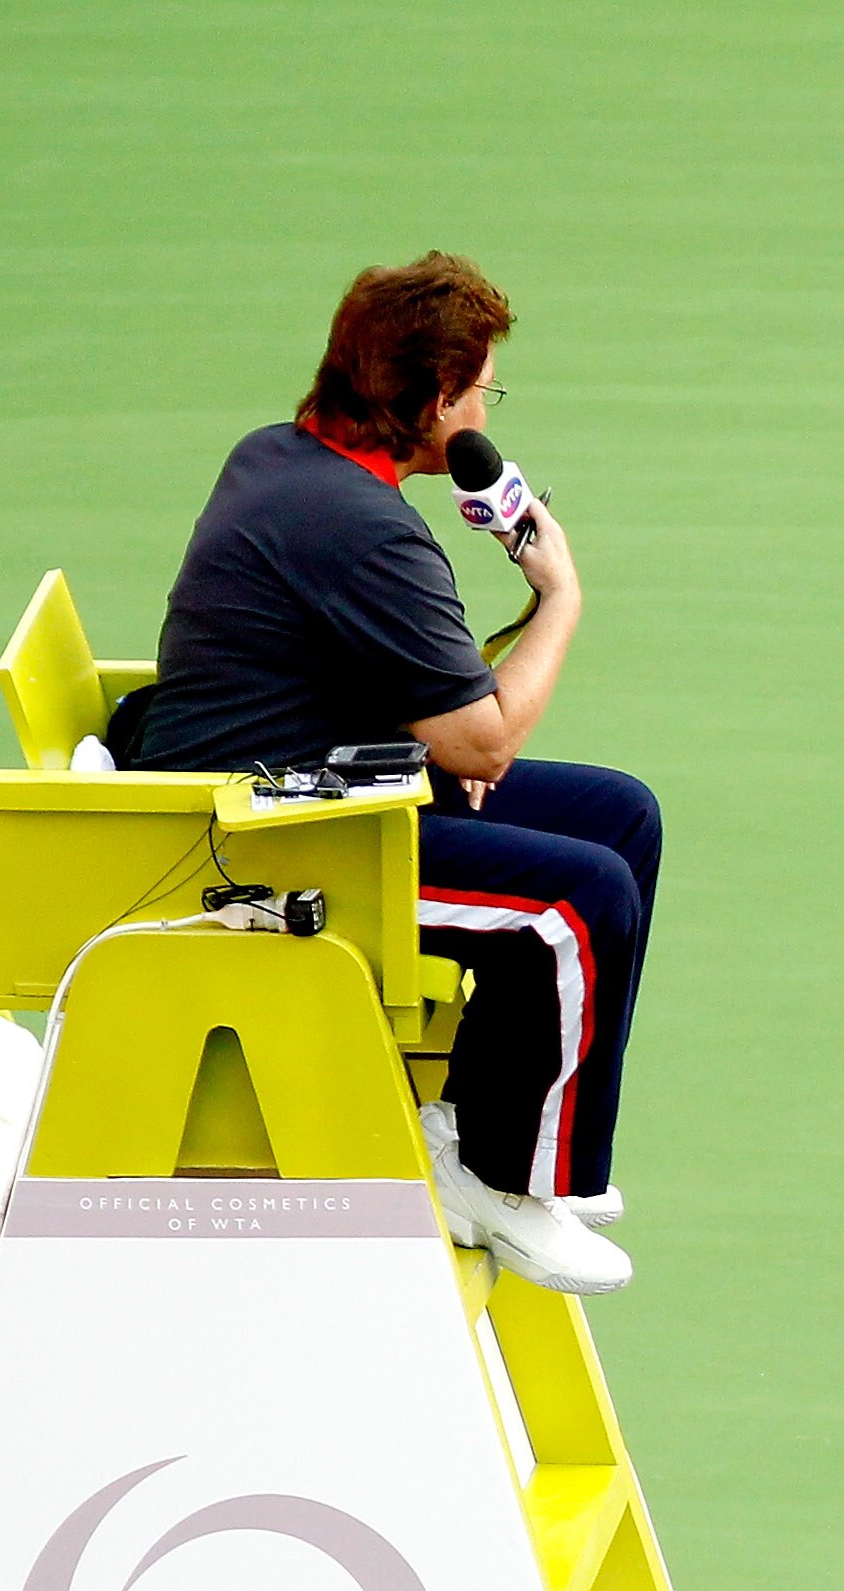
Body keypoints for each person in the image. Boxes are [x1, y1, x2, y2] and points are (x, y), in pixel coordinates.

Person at [119, 252, 649, 1294]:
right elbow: (488, 740)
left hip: (314, 777)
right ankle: (503, 1182)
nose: (488, 407)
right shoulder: (362, 531)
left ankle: (488, 1131)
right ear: (438, 400)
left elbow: (360, 679)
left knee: (619, 817)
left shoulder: (276, 458)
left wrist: (427, 748)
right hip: (263, 843)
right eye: (485, 390)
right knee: (579, 900)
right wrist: (561, 597)